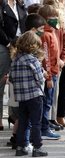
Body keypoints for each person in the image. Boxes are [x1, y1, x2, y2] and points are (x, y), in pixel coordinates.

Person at [9, 30, 48, 157]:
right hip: (35, 96)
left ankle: (21, 147)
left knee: (23, 122)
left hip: (21, 98)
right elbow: (40, 79)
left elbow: (12, 78)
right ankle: (37, 148)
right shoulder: (33, 60)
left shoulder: (15, 60)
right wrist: (43, 73)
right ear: (33, 46)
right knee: (36, 123)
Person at [38, 4, 65, 137]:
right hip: (49, 74)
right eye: (53, 17)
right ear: (45, 19)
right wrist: (49, 77)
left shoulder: (53, 31)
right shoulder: (45, 34)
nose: (56, 19)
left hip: (55, 72)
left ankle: (44, 125)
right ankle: (44, 128)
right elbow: (46, 57)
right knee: (46, 102)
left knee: (48, 101)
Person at [0, 0, 27, 130]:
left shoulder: (20, 5)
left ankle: (14, 118)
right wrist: (8, 43)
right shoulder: (1, 5)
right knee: (1, 82)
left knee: (16, 84)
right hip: (4, 46)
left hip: (19, 47)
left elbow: (24, 26)